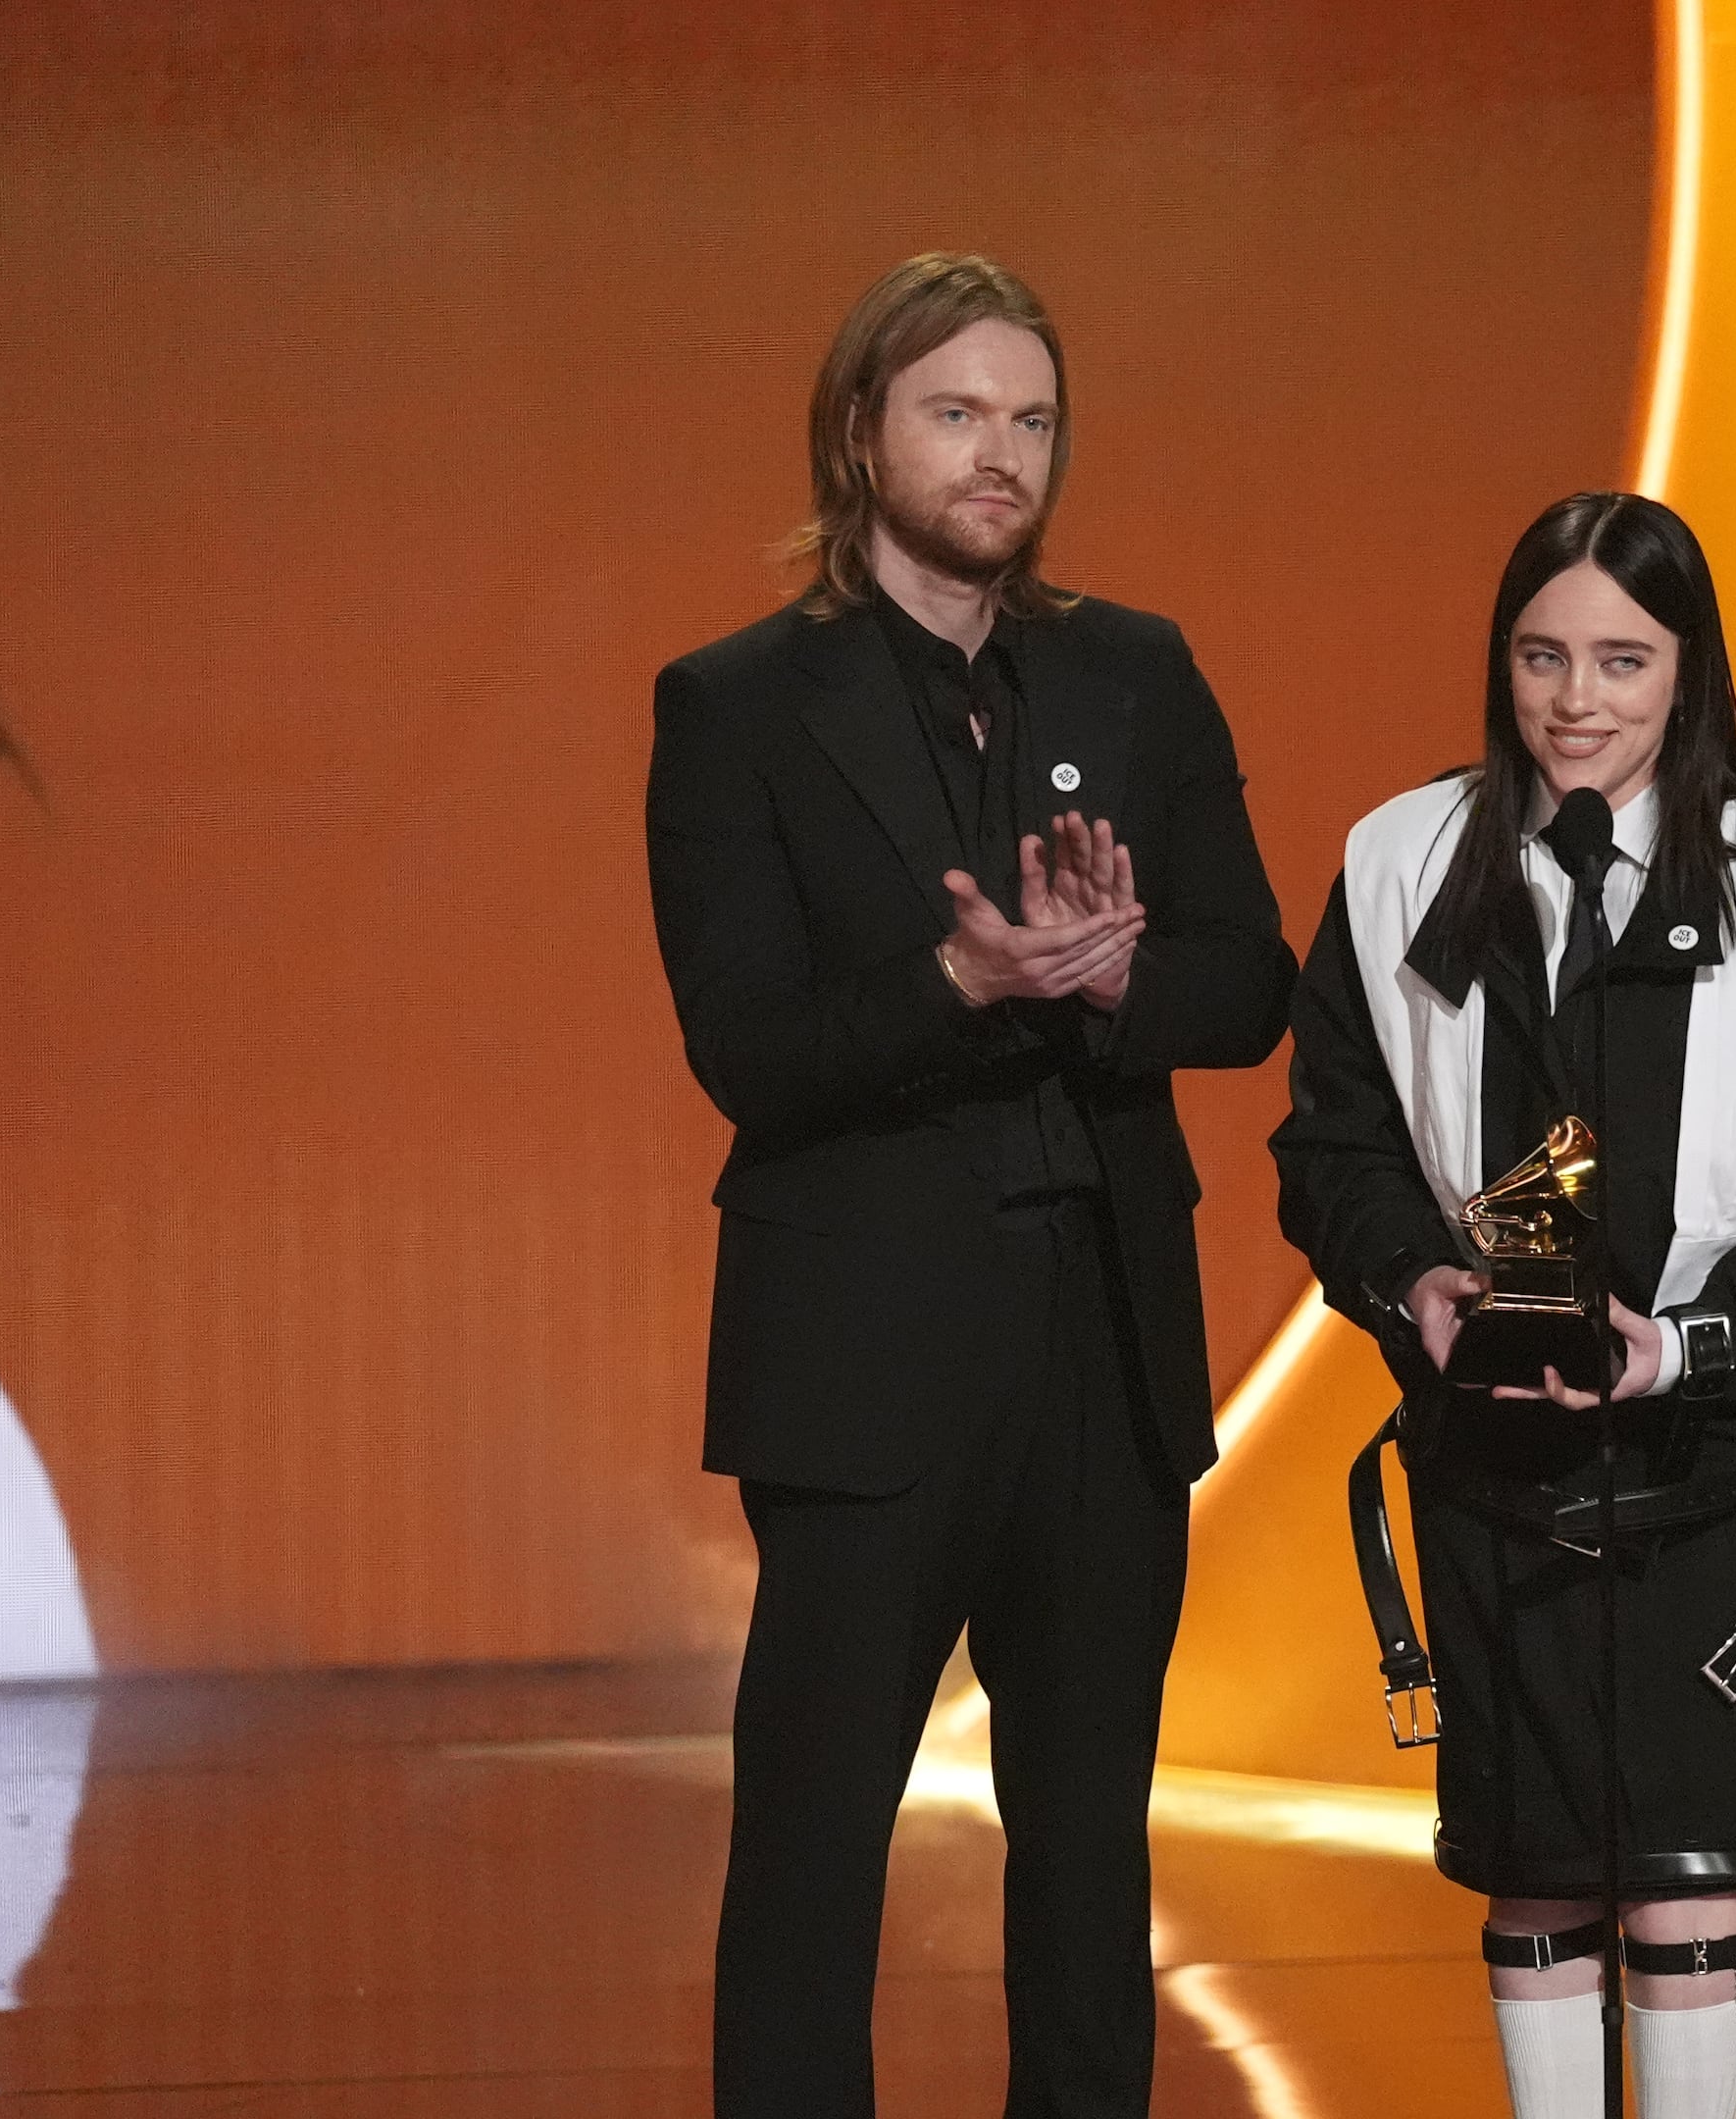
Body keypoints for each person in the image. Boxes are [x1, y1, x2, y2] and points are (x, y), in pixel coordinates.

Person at [644, 252, 1293, 2115]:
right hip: (865, 1363)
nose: (1000, 454)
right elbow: (746, 1047)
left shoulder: (1136, 673)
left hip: (1102, 1344)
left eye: (1031, 419)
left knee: (1088, 1852)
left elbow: (1252, 983)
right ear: (862, 435)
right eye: (956, 413)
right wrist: (957, 982)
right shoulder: (740, 706)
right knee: (815, 1851)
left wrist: (1111, 982)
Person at [1272, 492, 1736, 2119]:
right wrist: (1419, 1284)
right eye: (1542, 655)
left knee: (1685, 1873)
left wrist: (1690, 1343)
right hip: (1495, 1457)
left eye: (1621, 659)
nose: (1577, 698)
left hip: (1720, 1471)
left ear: (1688, 670)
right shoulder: (1400, 865)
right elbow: (1336, 1141)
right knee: (1531, 1873)